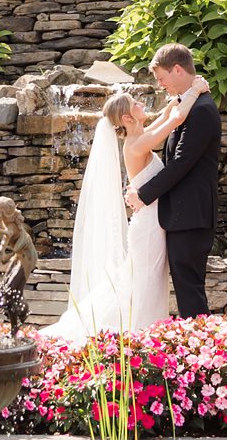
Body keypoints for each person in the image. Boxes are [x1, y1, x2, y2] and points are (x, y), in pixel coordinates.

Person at [42, 85, 195, 343]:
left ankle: (143, 337)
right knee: (144, 285)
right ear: (126, 118)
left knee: (148, 283)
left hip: (151, 223)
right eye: (135, 104)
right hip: (148, 227)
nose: (141, 105)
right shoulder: (136, 144)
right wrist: (194, 90)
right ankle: (138, 338)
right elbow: (176, 120)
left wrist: (173, 102)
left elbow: (164, 119)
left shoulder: (139, 136)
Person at [126, 43, 221, 318]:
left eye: (161, 78)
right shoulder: (190, 103)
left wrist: (142, 195)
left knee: (189, 289)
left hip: (191, 215)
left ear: (177, 69)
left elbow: (181, 164)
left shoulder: (201, 110)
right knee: (185, 287)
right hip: (182, 214)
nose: (160, 85)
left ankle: (202, 351)